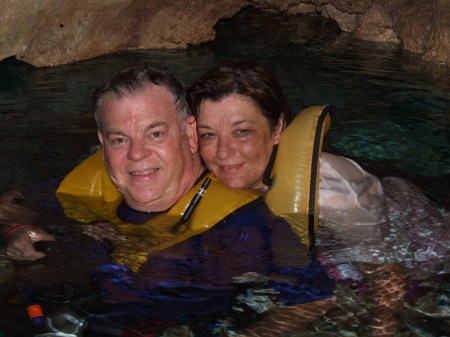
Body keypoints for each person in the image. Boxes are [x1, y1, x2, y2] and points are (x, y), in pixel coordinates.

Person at [50, 62, 335, 336]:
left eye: (156, 133)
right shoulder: (95, 182)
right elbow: (18, 201)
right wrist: (16, 228)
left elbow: (314, 297)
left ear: (189, 133)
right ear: (103, 143)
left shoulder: (243, 223)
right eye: (120, 139)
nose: (137, 154)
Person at [186, 60, 449, 336]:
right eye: (209, 135)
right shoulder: (215, 180)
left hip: (422, 251)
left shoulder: (334, 195)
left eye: (242, 131)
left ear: (277, 129)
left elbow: (387, 271)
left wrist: (381, 327)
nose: (224, 152)